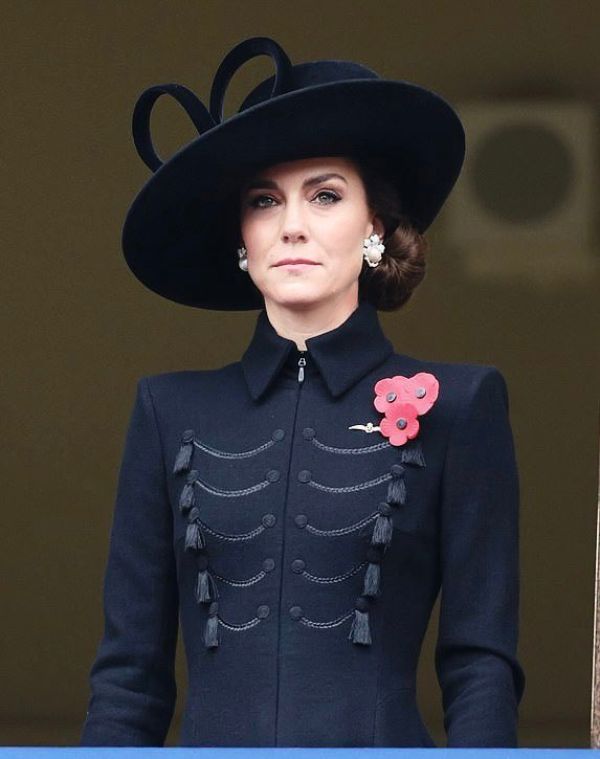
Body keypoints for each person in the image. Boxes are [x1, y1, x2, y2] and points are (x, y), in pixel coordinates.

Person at [79, 36, 525, 748]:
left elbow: (480, 667)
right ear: (243, 236)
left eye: (324, 194)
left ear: (374, 225)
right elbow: (129, 677)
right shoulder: (168, 410)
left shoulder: (461, 405)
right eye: (264, 200)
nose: (291, 225)